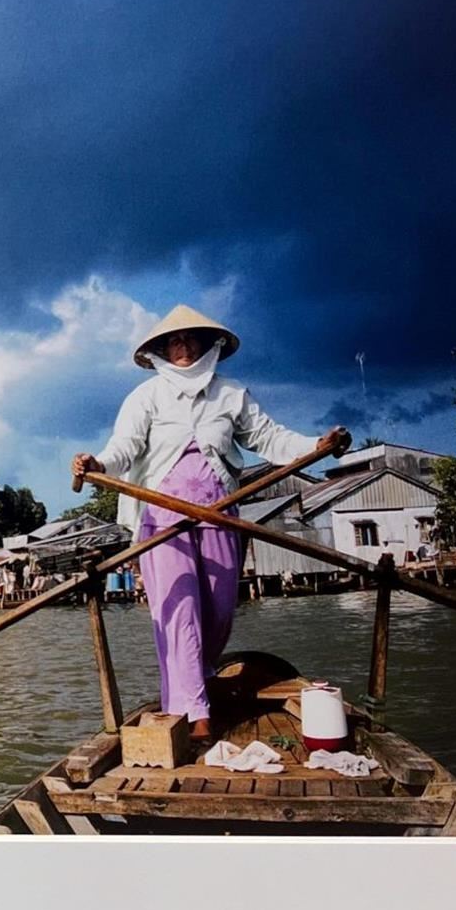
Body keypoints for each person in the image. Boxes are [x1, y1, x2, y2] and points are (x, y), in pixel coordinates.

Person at [72, 304, 350, 741]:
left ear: (207, 345)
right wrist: (98, 464)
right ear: (163, 350)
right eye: (174, 341)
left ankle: (195, 678)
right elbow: (123, 448)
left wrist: (317, 445)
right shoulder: (146, 397)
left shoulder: (231, 394)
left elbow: (270, 437)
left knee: (218, 612)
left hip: (219, 512)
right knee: (179, 611)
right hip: (163, 519)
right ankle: (195, 711)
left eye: (190, 339)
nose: (182, 346)